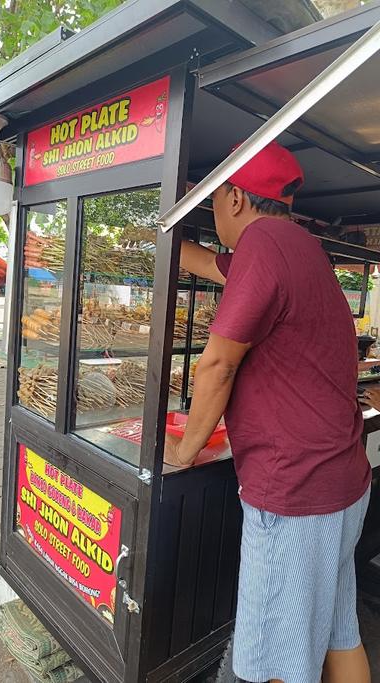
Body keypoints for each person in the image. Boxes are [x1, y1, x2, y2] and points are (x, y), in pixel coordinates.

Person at [163, 142, 372, 683]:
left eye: (212, 203)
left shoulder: (262, 245)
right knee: (336, 632)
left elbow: (217, 366)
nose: (212, 215)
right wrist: (159, 231)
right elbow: (209, 263)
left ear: (233, 197)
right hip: (342, 482)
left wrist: (185, 451)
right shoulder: (295, 245)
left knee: (276, 662)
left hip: (297, 493)